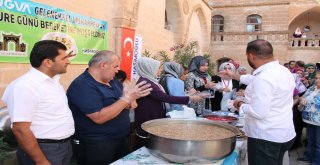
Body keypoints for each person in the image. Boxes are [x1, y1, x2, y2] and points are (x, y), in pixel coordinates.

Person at [66, 50, 152, 165]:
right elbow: (99, 117)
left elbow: (128, 105)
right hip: (97, 144)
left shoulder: (113, 81)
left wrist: (130, 98)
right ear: (103, 65)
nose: (117, 70)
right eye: (115, 66)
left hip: (120, 138)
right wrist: (126, 99)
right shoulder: (82, 85)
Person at [220, 39, 296, 165]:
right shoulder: (282, 71)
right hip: (283, 132)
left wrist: (238, 104)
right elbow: (254, 79)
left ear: (251, 56)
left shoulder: (264, 78)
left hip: (265, 138)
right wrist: (233, 75)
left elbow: (258, 112)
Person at [1, 40, 75, 165]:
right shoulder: (25, 86)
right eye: (64, 58)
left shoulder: (54, 82)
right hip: (43, 150)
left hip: (63, 146)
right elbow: (20, 130)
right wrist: (41, 161)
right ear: (48, 62)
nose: (68, 61)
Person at [134, 57, 203, 149]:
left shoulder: (149, 80)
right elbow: (165, 98)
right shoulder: (146, 83)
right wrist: (190, 98)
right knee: (146, 147)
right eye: (157, 68)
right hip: (148, 118)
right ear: (149, 68)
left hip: (151, 117)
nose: (159, 70)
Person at [296, 72, 320, 164]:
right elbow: (301, 97)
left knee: (318, 143)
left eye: (318, 78)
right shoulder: (312, 88)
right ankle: (309, 156)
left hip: (318, 122)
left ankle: (317, 161)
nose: (316, 80)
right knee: (310, 140)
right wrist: (301, 100)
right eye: (316, 78)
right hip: (309, 119)